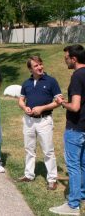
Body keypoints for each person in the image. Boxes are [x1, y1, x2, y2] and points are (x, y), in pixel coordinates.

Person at [50, 44, 85, 216]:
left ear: (74, 59)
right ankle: (82, 194)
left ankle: (73, 205)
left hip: (76, 128)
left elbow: (76, 106)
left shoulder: (77, 76)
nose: (65, 61)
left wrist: (61, 102)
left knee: (74, 166)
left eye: (66, 58)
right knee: (83, 164)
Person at [17, 56, 61, 191]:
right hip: (29, 121)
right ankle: (29, 175)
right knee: (29, 149)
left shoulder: (51, 81)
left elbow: (59, 101)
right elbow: (21, 100)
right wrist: (25, 108)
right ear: (30, 69)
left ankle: (52, 179)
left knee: (48, 151)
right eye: (36, 66)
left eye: (40, 64)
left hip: (44, 121)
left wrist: (42, 108)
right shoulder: (26, 83)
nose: (40, 67)